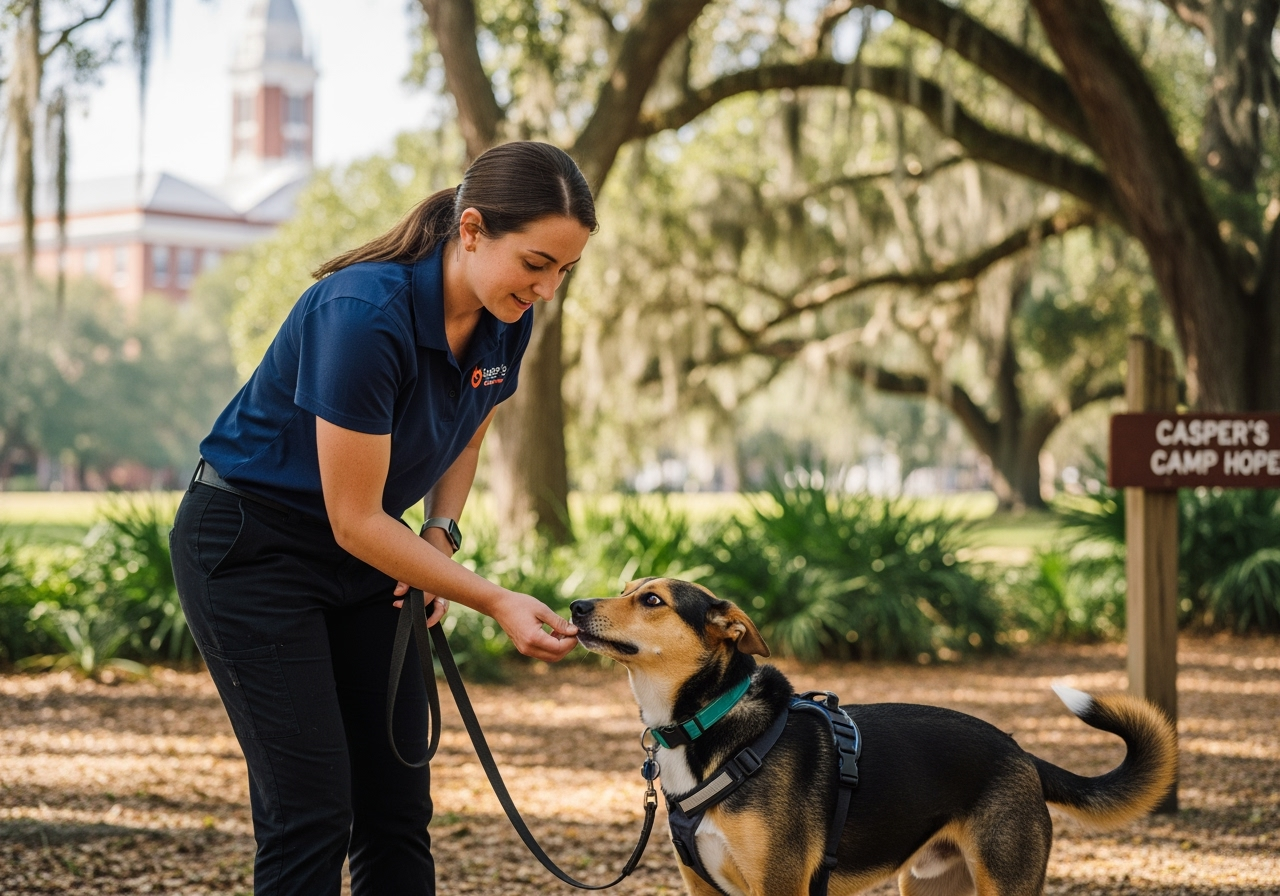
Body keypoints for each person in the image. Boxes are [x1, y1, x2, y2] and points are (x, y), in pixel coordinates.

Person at [169, 141, 594, 896]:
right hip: (252, 549)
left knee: (397, 806)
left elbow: (467, 429)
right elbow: (354, 519)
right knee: (312, 809)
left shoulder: (507, 316)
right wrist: (488, 597)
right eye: (536, 263)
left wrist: (438, 535)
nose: (548, 288)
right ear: (471, 231)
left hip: (373, 550)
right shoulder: (362, 313)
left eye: (564, 270)